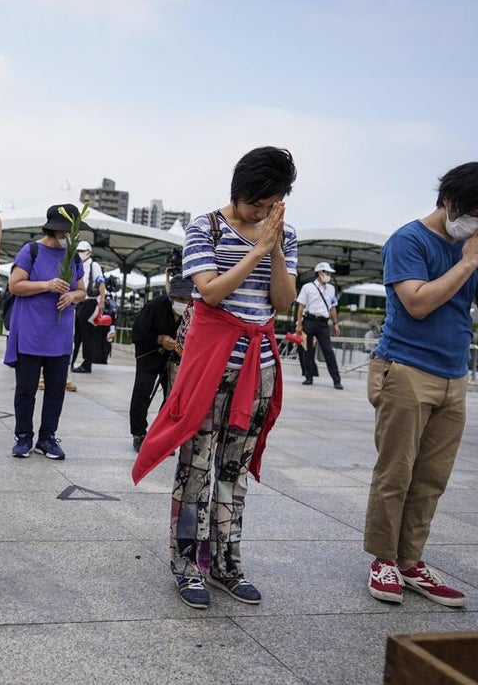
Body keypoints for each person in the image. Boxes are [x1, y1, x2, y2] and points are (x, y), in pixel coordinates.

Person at [132, 146, 298, 611]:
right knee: (197, 464)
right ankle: (186, 564)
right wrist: (259, 250)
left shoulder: (285, 235)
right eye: (256, 204)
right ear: (238, 191)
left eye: (272, 205)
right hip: (211, 362)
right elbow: (210, 291)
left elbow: (281, 301)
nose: (262, 213)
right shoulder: (204, 227)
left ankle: (227, 563)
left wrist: (277, 248)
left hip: (258, 364)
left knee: (234, 467)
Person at [364, 162, 478, 608]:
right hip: (406, 370)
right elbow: (416, 303)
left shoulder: (473, 248)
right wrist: (467, 260)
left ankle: (411, 561)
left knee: (431, 478)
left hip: (454, 375)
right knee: (396, 472)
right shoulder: (408, 239)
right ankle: (383, 559)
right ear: (449, 200)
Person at [4, 204, 87, 460]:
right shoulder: (31, 251)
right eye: (66, 233)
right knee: (26, 389)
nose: (69, 238)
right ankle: (23, 436)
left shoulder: (73, 257)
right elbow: (15, 285)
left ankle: (47, 437)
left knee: (56, 390)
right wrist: (47, 285)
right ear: (55, 230)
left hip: (60, 335)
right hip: (30, 331)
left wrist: (72, 296)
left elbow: (82, 291)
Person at [129, 274, 195, 452]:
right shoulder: (155, 306)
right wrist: (160, 339)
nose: (184, 302)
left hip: (175, 356)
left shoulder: (192, 311)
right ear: (172, 297)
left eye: (188, 299)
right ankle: (138, 433)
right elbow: (137, 333)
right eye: (180, 298)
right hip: (148, 353)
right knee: (143, 390)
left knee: (171, 396)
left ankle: (161, 435)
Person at [295, 261, 343, 389]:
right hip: (309, 321)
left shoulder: (331, 289)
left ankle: (336, 380)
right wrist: (299, 324)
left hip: (323, 323)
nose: (328, 275)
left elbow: (333, 307)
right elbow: (301, 307)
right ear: (319, 273)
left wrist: (336, 324)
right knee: (307, 350)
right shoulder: (307, 287)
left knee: (328, 350)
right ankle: (308, 377)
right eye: (327, 273)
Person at [71, 240, 106, 373]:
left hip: (90, 302)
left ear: (89, 252)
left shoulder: (94, 265)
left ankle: (87, 363)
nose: (80, 254)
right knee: (76, 335)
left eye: (82, 251)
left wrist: (102, 301)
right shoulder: (78, 264)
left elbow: (101, 282)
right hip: (80, 303)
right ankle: (72, 361)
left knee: (87, 335)